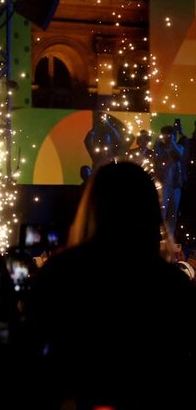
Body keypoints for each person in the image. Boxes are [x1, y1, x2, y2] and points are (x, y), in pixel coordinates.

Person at [24, 161, 196, 408]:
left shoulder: (61, 273)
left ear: (93, 208)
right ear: (149, 213)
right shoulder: (172, 285)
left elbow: (32, 354)